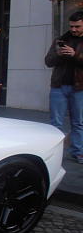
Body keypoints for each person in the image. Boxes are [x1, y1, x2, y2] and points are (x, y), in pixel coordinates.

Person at [45, 10, 83, 164]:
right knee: (56, 123)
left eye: (78, 26)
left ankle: (78, 152)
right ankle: (55, 152)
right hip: (58, 87)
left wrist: (75, 55)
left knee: (78, 122)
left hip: (79, 88)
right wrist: (59, 54)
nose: (74, 29)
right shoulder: (60, 40)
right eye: (72, 26)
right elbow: (48, 61)